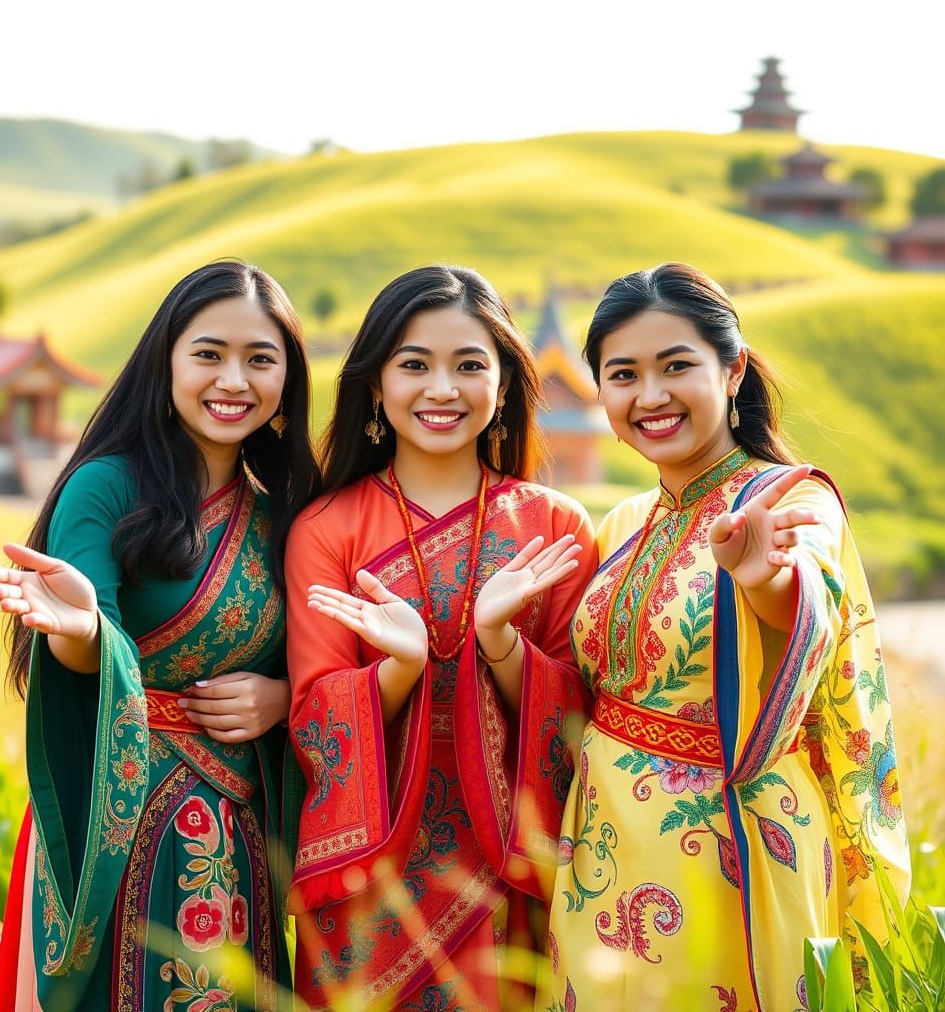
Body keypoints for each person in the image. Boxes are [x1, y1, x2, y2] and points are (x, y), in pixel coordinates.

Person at [539, 263, 909, 1012]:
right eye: (623, 374)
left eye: (676, 366)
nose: (650, 396)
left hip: (732, 844)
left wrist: (756, 577)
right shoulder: (622, 524)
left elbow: (802, 608)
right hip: (601, 844)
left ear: (732, 368)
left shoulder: (792, 499)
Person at [0, 260, 319, 1012]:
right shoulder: (107, 486)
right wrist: (86, 633)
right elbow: (83, 640)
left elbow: (320, 663)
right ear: (166, 359)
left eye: (260, 359)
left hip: (232, 834)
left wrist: (284, 698)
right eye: (208, 354)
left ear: (287, 380)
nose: (234, 379)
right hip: (114, 823)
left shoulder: (285, 516)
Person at [283, 266, 598, 1010]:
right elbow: (315, 715)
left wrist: (501, 645)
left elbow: (580, 718)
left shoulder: (554, 527)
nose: (442, 388)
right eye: (414, 364)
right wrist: (402, 666)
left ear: (503, 387)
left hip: (508, 874)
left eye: (469, 365)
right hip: (371, 881)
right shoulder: (326, 529)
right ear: (374, 385)